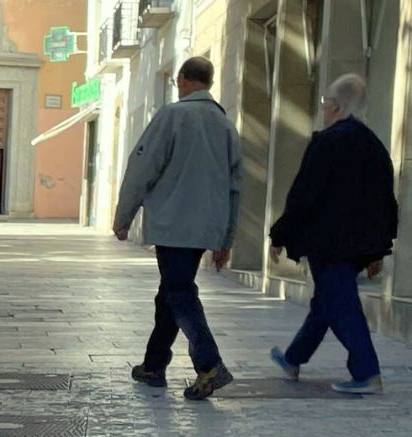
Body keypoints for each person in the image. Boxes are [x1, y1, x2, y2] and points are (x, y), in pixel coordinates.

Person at [112, 57, 243, 400]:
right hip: (206, 227)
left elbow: (142, 166)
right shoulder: (226, 126)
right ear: (209, 82)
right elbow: (235, 186)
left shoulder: (172, 115)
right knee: (170, 292)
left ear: (183, 80)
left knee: (179, 291)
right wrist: (226, 238)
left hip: (172, 225)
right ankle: (153, 366)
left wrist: (123, 216)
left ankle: (210, 364)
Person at [268, 74, 399, 395]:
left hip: (328, 243)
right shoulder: (376, 147)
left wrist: (280, 234)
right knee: (326, 301)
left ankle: (367, 373)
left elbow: (304, 195)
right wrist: (380, 248)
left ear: (337, 107)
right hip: (359, 245)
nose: (323, 110)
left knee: (341, 303)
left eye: (326, 104)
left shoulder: (327, 142)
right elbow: (387, 203)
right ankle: (293, 358)